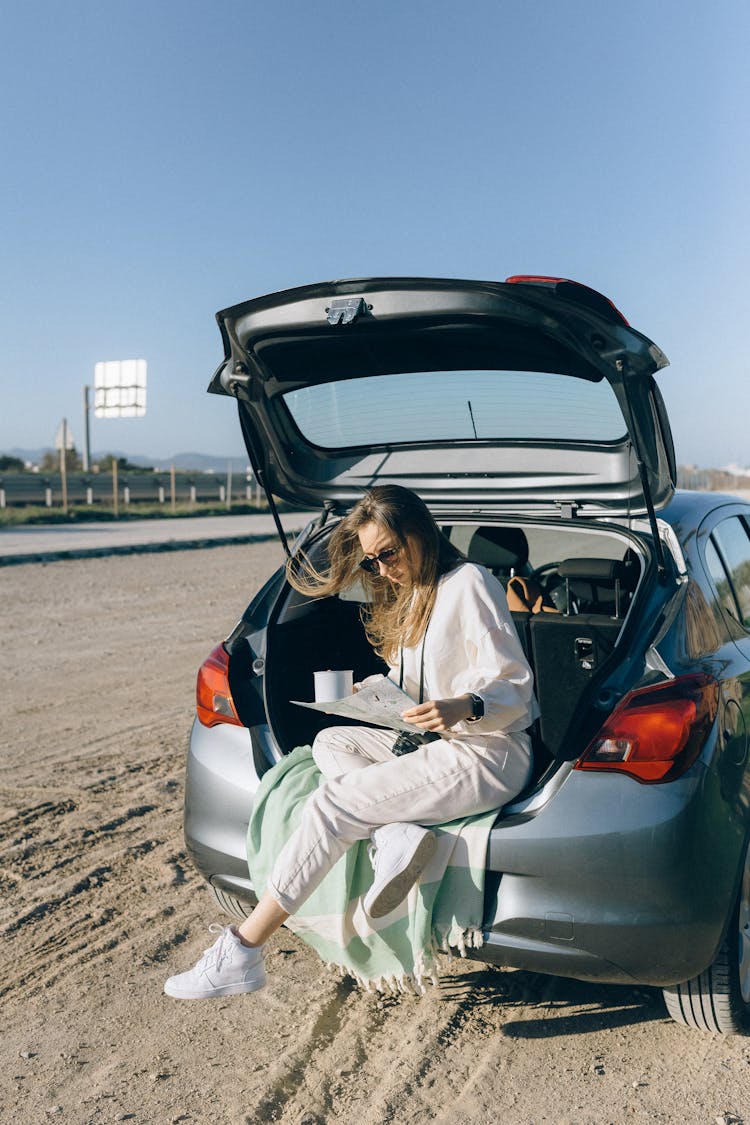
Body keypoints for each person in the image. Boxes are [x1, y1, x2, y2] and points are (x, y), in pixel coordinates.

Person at [164, 485, 538, 1000]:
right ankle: (393, 833)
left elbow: (515, 686)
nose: (382, 569)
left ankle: (242, 950)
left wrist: (465, 704)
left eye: (388, 553)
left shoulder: (470, 583)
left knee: (333, 803)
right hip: (432, 742)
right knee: (332, 742)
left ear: (419, 533)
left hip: (487, 751)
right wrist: (376, 695)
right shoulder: (415, 595)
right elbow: (421, 679)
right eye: (371, 561)